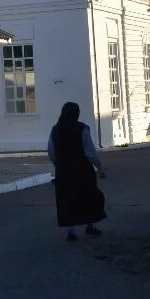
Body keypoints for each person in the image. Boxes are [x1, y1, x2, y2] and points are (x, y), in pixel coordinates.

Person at [47, 102, 106, 241]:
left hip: (63, 172)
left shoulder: (55, 130)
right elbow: (89, 152)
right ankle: (90, 225)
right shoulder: (82, 129)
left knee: (67, 200)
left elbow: (51, 152)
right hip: (83, 170)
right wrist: (99, 167)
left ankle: (71, 232)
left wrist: (60, 164)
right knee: (89, 197)